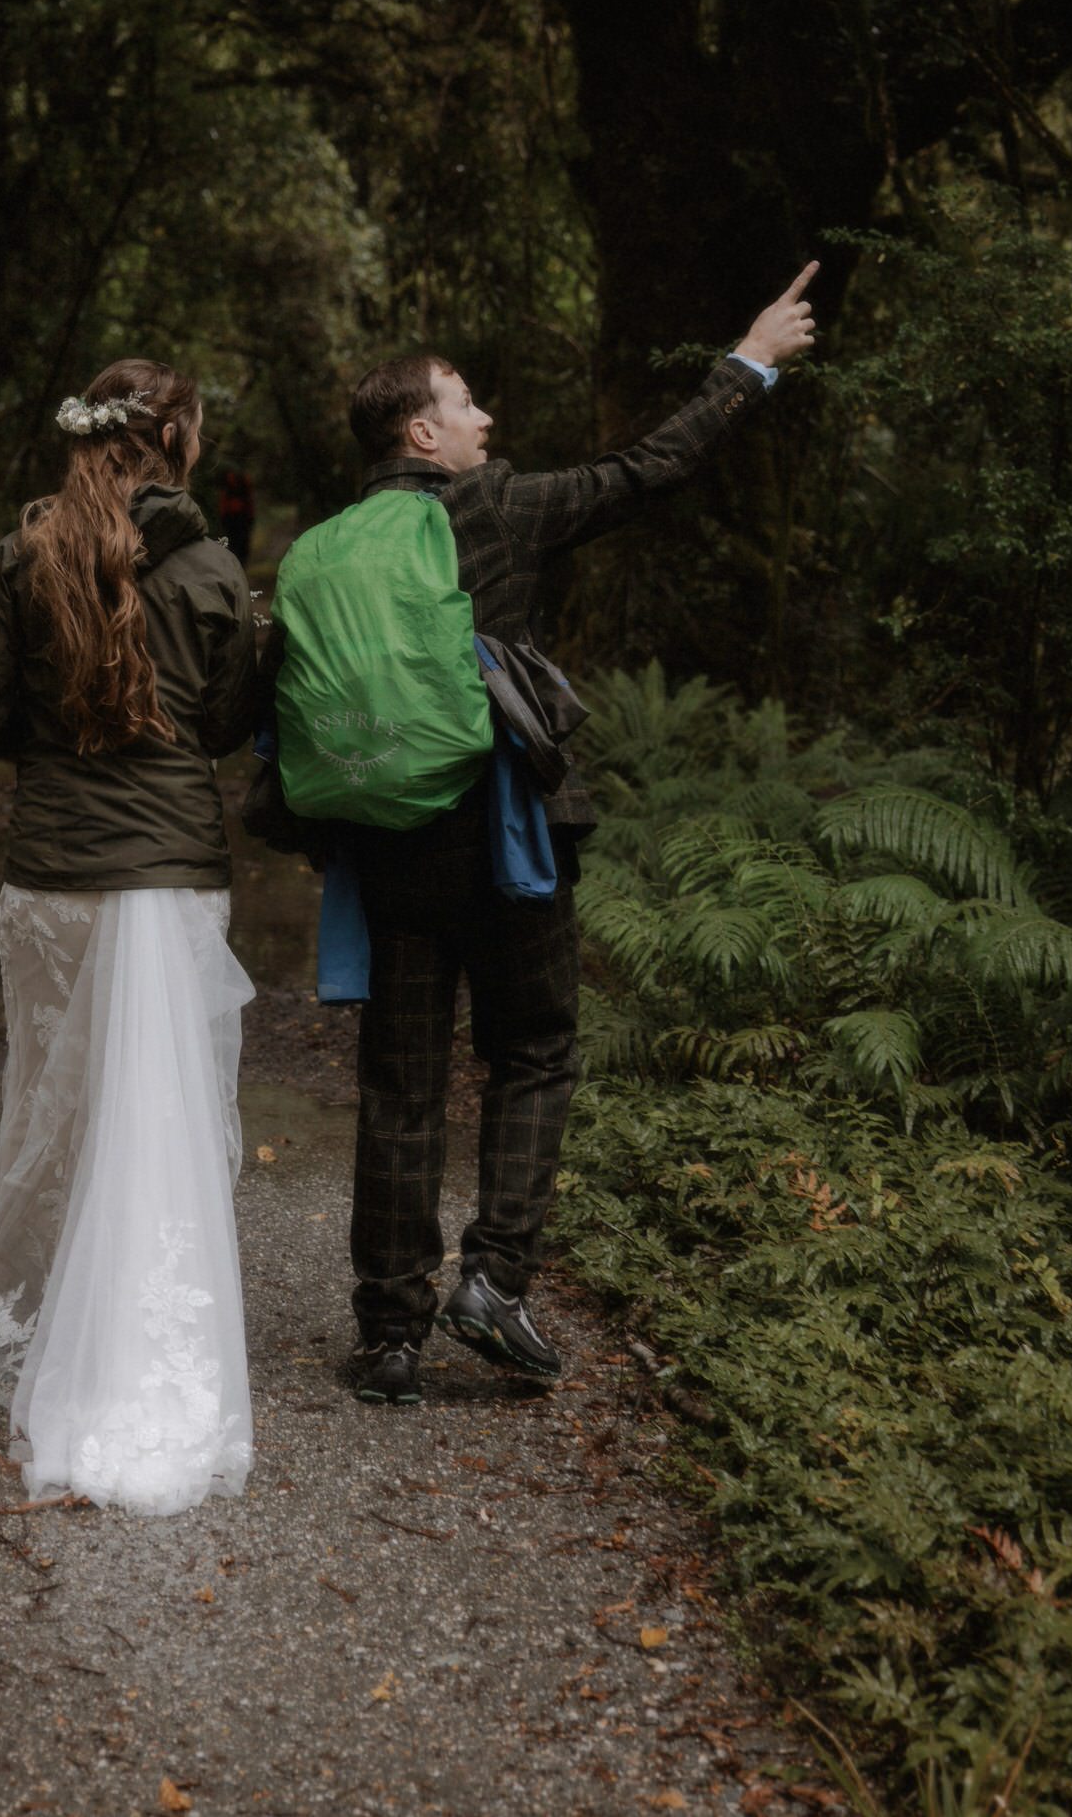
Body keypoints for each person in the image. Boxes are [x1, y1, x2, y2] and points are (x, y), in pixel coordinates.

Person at [337, 266, 819, 1404]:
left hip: (392, 841)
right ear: (423, 428)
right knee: (535, 1049)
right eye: (465, 403)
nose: (484, 420)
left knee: (401, 1083)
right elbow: (643, 471)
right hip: (513, 831)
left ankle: (389, 1330)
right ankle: (494, 1279)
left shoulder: (338, 539)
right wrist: (747, 359)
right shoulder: (494, 504)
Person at [0, 358, 259, 1515]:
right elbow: (225, 725)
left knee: (49, 1084)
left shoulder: (22, 557)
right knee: (156, 1100)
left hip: (57, 878)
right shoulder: (215, 569)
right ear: (172, 440)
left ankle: (25, 1278)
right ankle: (130, 1303)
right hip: (172, 878)